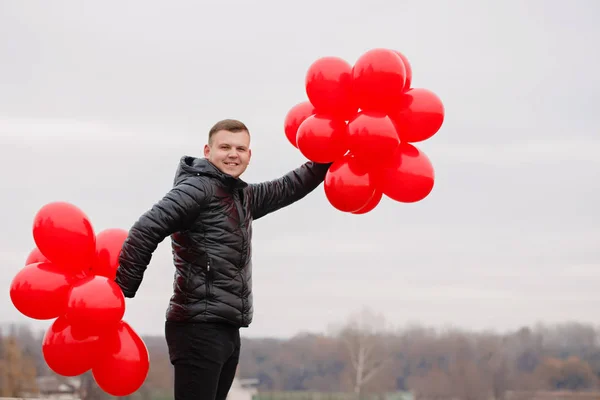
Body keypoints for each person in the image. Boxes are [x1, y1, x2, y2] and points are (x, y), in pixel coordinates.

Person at [114, 119, 331, 400]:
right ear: (207, 151)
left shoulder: (242, 196)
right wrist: (122, 290)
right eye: (225, 147)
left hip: (226, 327)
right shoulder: (196, 189)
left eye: (240, 148)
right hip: (197, 326)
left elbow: (290, 186)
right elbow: (146, 228)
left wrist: (329, 154)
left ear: (249, 156)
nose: (233, 154)